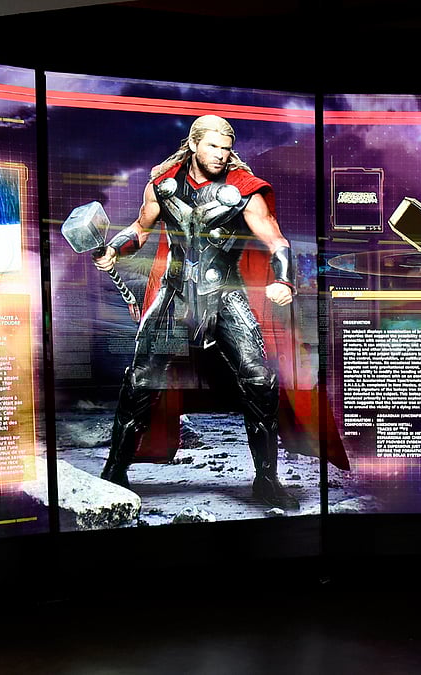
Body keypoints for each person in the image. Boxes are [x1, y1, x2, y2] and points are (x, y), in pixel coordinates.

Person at [93, 114, 300, 510]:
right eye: (213, 146)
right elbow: (139, 228)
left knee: (260, 380)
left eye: (226, 148)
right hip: (174, 295)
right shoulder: (163, 184)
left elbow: (276, 240)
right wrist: (113, 249)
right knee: (139, 382)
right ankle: (115, 473)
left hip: (225, 295)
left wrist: (284, 280)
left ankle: (266, 480)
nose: (221, 155)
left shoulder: (244, 190)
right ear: (193, 145)